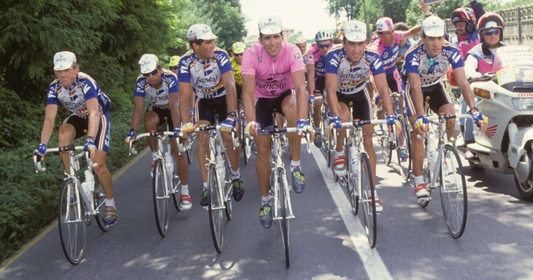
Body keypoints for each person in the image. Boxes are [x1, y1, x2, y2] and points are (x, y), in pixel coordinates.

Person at [402, 16, 486, 202]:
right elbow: (415, 87)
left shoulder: (451, 50)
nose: (436, 43)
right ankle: (418, 182)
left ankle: (443, 152)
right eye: (431, 38)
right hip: (414, 88)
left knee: (450, 116)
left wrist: (473, 109)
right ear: (422, 38)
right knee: (419, 131)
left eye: (439, 38)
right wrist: (420, 116)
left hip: (435, 85)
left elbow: (463, 82)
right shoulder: (413, 54)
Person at [241, 15, 313, 228]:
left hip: (284, 96)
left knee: (292, 108)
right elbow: (246, 91)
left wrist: (302, 121)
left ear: (282, 37)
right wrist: (251, 120)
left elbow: (301, 88)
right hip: (261, 100)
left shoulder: (292, 51)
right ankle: (265, 201)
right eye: (266, 38)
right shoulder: (251, 54)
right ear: (260, 39)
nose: (272, 42)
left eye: (275, 37)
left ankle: (296, 167)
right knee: (262, 150)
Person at [34, 51, 117, 225]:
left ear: (75, 68)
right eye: (58, 71)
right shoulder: (54, 87)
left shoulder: (85, 82)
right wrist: (42, 144)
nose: (62, 74)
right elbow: (50, 118)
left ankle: (110, 202)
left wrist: (90, 140)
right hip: (78, 117)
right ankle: (72, 181)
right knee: (63, 137)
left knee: (97, 163)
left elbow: (94, 113)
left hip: (98, 116)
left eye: (66, 70)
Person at [326, 20, 398, 213]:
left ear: (366, 42)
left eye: (360, 44)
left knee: (368, 138)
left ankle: (373, 193)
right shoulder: (333, 56)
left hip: (359, 93)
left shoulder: (373, 56)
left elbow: (383, 87)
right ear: (344, 43)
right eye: (351, 44)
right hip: (339, 94)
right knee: (342, 118)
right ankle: (339, 151)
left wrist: (391, 115)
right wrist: (334, 117)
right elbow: (330, 89)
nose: (356, 49)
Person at [177, 24, 244, 206]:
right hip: (203, 101)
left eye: (213, 41)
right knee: (203, 138)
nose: (213, 45)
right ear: (195, 46)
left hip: (224, 98)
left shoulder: (221, 56)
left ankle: (236, 176)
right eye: (208, 42)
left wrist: (231, 115)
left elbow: (231, 86)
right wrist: (185, 123)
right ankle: (207, 186)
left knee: (228, 134)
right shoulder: (185, 62)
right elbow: (183, 94)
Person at [125, 54, 191, 209]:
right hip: (157, 110)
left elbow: (175, 106)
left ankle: (184, 191)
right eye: (146, 74)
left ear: (160, 69)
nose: (150, 77)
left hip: (173, 110)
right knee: (148, 121)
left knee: (177, 150)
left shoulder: (171, 78)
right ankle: (155, 155)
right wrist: (132, 132)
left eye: (154, 72)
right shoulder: (141, 82)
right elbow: (138, 109)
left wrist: (177, 130)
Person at [369, 17, 421, 146]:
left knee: (399, 105)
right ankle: (379, 118)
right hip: (378, 76)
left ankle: (401, 143)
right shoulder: (376, 49)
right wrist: (377, 92)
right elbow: (372, 74)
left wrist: (425, 24)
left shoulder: (396, 36)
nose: (392, 35)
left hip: (392, 73)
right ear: (379, 35)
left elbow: (411, 32)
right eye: (388, 33)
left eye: (393, 31)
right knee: (385, 101)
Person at [307, 30, 334, 148]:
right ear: (316, 45)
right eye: (321, 46)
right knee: (317, 103)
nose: (324, 48)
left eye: (327, 45)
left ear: (331, 43)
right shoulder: (312, 53)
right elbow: (311, 75)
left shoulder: (335, 51)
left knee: (334, 100)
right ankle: (317, 130)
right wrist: (311, 94)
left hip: (331, 78)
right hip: (318, 80)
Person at [464, 13, 505, 79]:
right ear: (482, 35)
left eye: (496, 32)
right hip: (485, 87)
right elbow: (468, 68)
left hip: (508, 86)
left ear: (501, 33)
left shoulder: (508, 50)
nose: (492, 36)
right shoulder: (475, 53)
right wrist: (473, 74)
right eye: (488, 33)